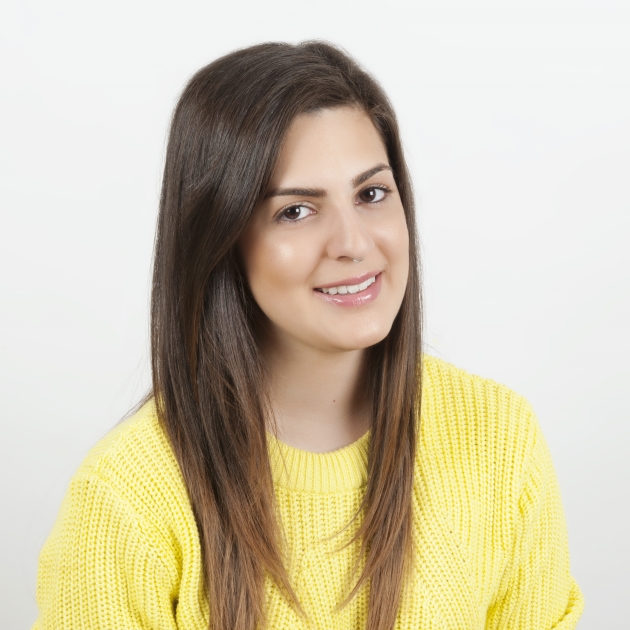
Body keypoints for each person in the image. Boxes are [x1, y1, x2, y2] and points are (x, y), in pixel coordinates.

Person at [32, 41, 584, 630]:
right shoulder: (125, 501)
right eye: (296, 210)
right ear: (221, 241)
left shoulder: (500, 440)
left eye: (371, 194)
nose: (354, 242)